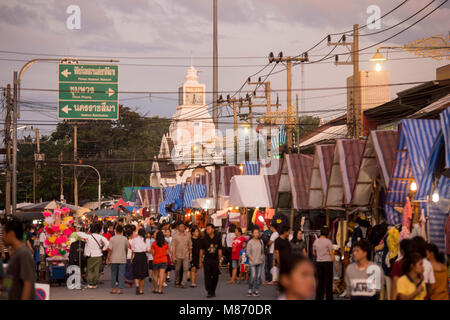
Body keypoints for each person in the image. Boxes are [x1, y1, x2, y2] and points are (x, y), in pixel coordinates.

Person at [2, 219, 36, 300]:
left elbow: (27, 284)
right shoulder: (15, 254)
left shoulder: (23, 254)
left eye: (4, 234)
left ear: (11, 234)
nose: (2, 237)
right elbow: (10, 278)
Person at [77, 223, 109, 289]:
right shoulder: (101, 237)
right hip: (99, 255)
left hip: (91, 255)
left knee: (90, 270)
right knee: (96, 270)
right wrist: (103, 249)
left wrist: (87, 232)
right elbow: (108, 244)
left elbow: (78, 233)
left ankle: (90, 283)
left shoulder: (88, 236)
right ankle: (95, 283)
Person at [313, 226, 337, 300]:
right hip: (328, 263)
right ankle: (329, 298)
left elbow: (314, 253)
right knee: (328, 282)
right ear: (327, 233)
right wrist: (335, 264)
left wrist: (320, 255)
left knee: (320, 282)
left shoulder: (316, 241)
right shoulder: (328, 242)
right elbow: (331, 254)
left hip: (319, 263)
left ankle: (318, 298)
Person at [199, 223, 223, 298]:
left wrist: (220, 261)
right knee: (207, 275)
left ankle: (213, 290)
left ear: (213, 229)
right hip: (207, 259)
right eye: (207, 229)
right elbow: (201, 250)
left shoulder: (218, 238)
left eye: (209, 229)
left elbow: (219, 250)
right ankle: (209, 291)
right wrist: (200, 261)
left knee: (215, 276)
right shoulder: (204, 239)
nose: (207, 230)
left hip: (215, 260)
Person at [106, 225, 128, 294]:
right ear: (122, 231)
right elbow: (126, 248)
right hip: (122, 258)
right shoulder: (125, 239)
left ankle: (113, 289)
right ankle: (120, 289)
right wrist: (125, 255)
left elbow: (110, 250)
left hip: (113, 258)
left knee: (113, 274)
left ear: (116, 230)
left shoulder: (112, 239)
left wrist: (108, 258)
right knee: (121, 274)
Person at [172, 223, 192, 288]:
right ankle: (177, 281)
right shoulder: (175, 236)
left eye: (183, 227)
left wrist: (190, 255)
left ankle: (184, 283)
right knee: (177, 269)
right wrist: (173, 256)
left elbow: (190, 246)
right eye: (180, 227)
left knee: (185, 268)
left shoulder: (188, 235)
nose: (182, 228)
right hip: (177, 255)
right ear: (178, 227)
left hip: (186, 254)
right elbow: (173, 247)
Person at [130, 228, 149, 295]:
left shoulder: (134, 240)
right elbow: (147, 249)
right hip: (143, 256)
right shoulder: (145, 240)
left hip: (136, 256)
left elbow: (132, 250)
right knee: (143, 274)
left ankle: (137, 285)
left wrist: (131, 258)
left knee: (136, 272)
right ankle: (141, 290)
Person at [246, 227, 265, 297]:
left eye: (258, 233)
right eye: (255, 233)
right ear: (253, 234)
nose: (257, 234)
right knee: (253, 276)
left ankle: (256, 290)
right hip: (252, 262)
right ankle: (250, 289)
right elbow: (248, 252)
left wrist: (262, 257)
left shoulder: (261, 241)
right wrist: (252, 258)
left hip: (260, 261)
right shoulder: (250, 242)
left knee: (258, 276)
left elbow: (262, 251)